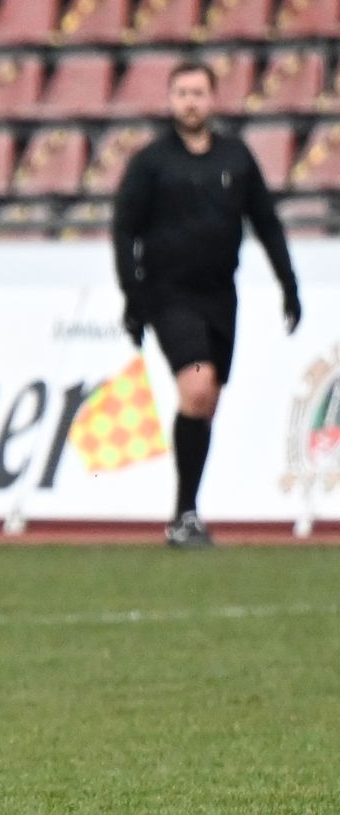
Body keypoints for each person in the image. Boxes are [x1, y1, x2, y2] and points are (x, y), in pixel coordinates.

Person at [112, 59, 302, 549]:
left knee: (207, 400)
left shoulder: (236, 158)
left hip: (222, 294)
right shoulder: (151, 162)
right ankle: (183, 514)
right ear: (170, 99)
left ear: (212, 98)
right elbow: (124, 229)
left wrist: (289, 284)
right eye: (182, 93)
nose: (190, 102)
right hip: (168, 293)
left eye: (198, 93)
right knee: (196, 387)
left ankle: (187, 514)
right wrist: (133, 298)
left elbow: (266, 221)